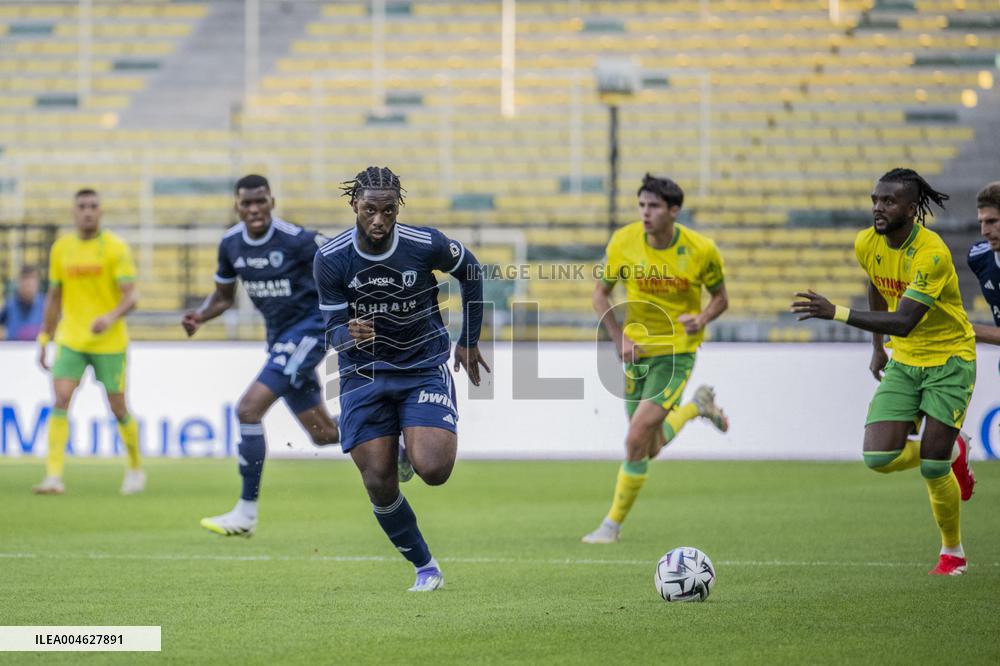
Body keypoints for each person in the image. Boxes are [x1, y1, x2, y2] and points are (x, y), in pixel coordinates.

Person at [792, 167, 976, 576]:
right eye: (876, 199)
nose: (878, 207)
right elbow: (877, 284)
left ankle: (953, 552)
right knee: (877, 457)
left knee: (932, 467)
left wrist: (836, 312)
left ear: (911, 209)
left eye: (889, 201)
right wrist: (878, 348)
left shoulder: (932, 254)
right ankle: (953, 450)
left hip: (949, 361)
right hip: (905, 361)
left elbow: (905, 320)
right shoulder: (867, 242)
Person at [313, 166, 487, 591]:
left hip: (421, 365)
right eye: (370, 210)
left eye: (388, 211)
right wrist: (347, 334)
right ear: (354, 205)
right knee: (378, 481)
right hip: (363, 373)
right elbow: (332, 332)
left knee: (435, 469)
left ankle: (410, 446)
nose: (379, 220)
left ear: (398, 208)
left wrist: (468, 340)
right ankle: (425, 567)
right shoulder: (331, 258)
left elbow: (472, 271)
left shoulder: (424, 244)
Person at [182, 174, 340, 537]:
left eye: (260, 201)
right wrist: (200, 316)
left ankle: (246, 513)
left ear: (272, 202)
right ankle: (391, 437)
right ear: (237, 206)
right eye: (247, 203)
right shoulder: (231, 244)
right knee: (323, 433)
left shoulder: (298, 240)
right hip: (280, 339)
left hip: (311, 331)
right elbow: (223, 297)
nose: (254, 209)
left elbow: (343, 259)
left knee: (248, 409)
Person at [581, 174, 730, 545]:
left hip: (676, 353)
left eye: (654, 206)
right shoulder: (623, 241)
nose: (646, 213)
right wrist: (618, 336)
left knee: (635, 439)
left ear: (674, 211)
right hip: (637, 352)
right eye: (642, 205)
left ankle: (611, 526)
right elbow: (599, 294)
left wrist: (702, 318)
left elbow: (721, 298)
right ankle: (696, 407)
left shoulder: (702, 250)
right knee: (649, 447)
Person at [33, 189, 144, 495]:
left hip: (109, 342)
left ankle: (135, 467)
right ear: (74, 212)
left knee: (118, 407)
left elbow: (131, 297)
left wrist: (109, 317)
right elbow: (54, 297)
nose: (87, 211)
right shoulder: (61, 249)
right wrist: (45, 337)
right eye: (82, 206)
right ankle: (53, 476)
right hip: (71, 338)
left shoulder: (115, 248)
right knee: (61, 398)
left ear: (100, 211)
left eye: (93, 206)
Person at [966, 181, 1000, 348]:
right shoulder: (978, 257)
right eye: (981, 222)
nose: (984, 231)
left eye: (992, 221)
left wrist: (963, 330)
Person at [1, 265, 45, 341]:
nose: (28, 284)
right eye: (25, 279)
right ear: (18, 282)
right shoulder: (9, 307)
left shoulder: (46, 305)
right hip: (14, 347)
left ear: (38, 283)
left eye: (32, 279)